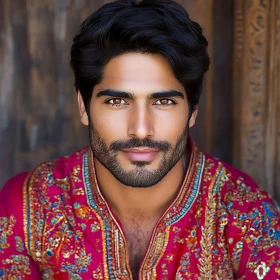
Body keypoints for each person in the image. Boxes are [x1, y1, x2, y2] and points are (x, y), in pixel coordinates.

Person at [0, 0, 279, 279]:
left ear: (193, 111)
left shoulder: (246, 215)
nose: (142, 129)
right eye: (117, 101)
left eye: (164, 101)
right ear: (84, 107)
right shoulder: (28, 208)